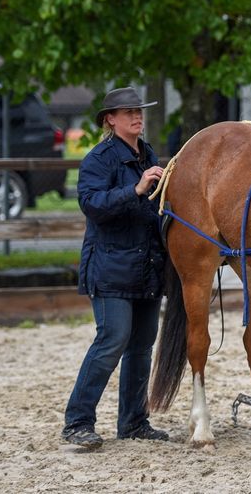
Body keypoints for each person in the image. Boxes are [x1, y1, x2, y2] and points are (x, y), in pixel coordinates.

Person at [62, 87, 168, 449]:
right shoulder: (99, 159)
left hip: (146, 267)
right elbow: (92, 205)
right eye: (128, 112)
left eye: (139, 111)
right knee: (112, 340)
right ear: (110, 119)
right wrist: (136, 189)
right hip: (110, 267)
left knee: (141, 346)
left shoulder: (147, 154)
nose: (136, 117)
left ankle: (134, 422)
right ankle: (77, 422)